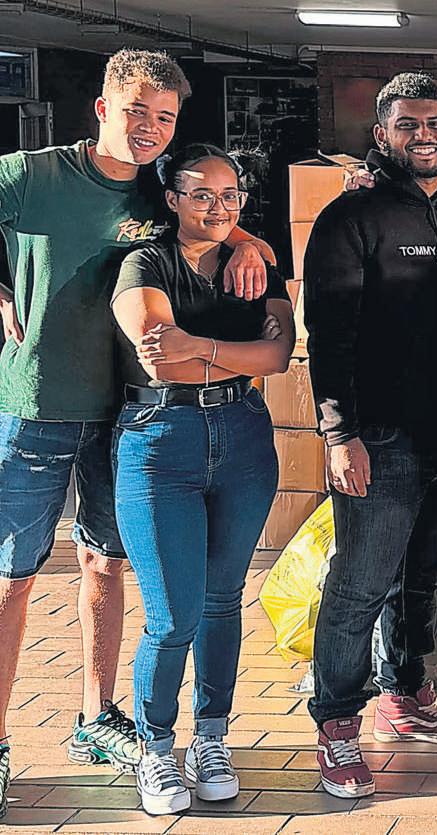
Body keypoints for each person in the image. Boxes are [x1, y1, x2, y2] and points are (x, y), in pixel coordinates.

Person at [0, 49, 272, 815]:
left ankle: (96, 717)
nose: (150, 127)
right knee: (13, 580)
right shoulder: (32, 174)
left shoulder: (163, 192)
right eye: (136, 111)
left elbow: (215, 224)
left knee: (104, 564)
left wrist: (251, 243)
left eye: (165, 116)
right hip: (36, 403)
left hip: (125, 415)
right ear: (102, 108)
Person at [303, 72, 437, 799]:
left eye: (434, 122)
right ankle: (336, 723)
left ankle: (404, 694)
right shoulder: (351, 218)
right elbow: (329, 336)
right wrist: (338, 434)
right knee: (361, 581)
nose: (424, 134)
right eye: (407, 124)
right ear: (381, 133)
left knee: (420, 578)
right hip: (378, 436)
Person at [108, 144, 294, 815]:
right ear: (173, 199)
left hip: (244, 438)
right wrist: (232, 354)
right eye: (203, 194)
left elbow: (280, 354)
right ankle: (156, 746)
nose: (219, 207)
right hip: (160, 441)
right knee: (171, 614)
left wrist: (202, 347)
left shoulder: (257, 262)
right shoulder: (146, 263)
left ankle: (210, 739)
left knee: (222, 601)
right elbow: (162, 362)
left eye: (230, 195)